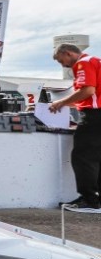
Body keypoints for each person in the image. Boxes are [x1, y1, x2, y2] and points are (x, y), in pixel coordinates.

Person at [50, 44, 101, 209]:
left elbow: (88, 91)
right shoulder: (96, 61)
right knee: (97, 158)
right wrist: (64, 105)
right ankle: (96, 199)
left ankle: (89, 200)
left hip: (94, 117)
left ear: (68, 53)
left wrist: (61, 102)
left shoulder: (83, 63)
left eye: (61, 60)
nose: (63, 65)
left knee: (83, 157)